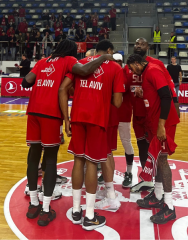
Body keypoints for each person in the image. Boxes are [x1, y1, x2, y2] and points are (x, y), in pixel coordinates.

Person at [21, 39, 115, 227]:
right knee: (50, 160)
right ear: (71, 52)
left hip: (33, 113)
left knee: (33, 157)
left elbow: (26, 82)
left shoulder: (43, 61)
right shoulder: (69, 60)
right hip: (50, 113)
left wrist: (44, 78)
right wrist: (104, 57)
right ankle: (46, 210)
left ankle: (33, 204)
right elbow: (85, 70)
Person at [58, 40, 124, 230]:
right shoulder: (115, 67)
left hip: (78, 116)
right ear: (110, 51)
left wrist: (66, 119)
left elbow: (63, 89)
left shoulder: (81, 62)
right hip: (97, 118)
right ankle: (89, 215)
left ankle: (76, 210)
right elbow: (118, 103)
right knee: (92, 163)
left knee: (78, 161)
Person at [126, 53, 179, 225]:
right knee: (156, 159)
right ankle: (157, 195)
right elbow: (156, 97)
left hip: (164, 124)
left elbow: (166, 96)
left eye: (131, 68)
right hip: (156, 123)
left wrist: (162, 125)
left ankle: (169, 207)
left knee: (162, 160)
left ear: (136, 64)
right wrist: (143, 96)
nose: (132, 71)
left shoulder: (153, 71)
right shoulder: (147, 73)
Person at [113, 53, 135, 187]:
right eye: (115, 61)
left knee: (126, 142)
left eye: (119, 61)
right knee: (107, 145)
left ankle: (129, 172)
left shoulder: (126, 76)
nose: (117, 64)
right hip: (110, 114)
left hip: (124, 114)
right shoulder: (112, 74)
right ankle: (105, 172)